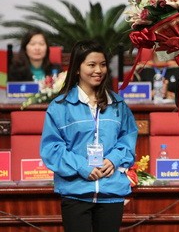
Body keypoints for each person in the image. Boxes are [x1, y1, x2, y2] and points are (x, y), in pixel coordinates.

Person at [40, 40, 138, 232]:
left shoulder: (118, 105)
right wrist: (82, 167)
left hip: (111, 192)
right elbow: (52, 149)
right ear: (77, 69)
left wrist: (114, 159)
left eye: (102, 65)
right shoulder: (60, 107)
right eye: (91, 65)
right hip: (76, 192)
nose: (98, 70)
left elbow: (128, 138)